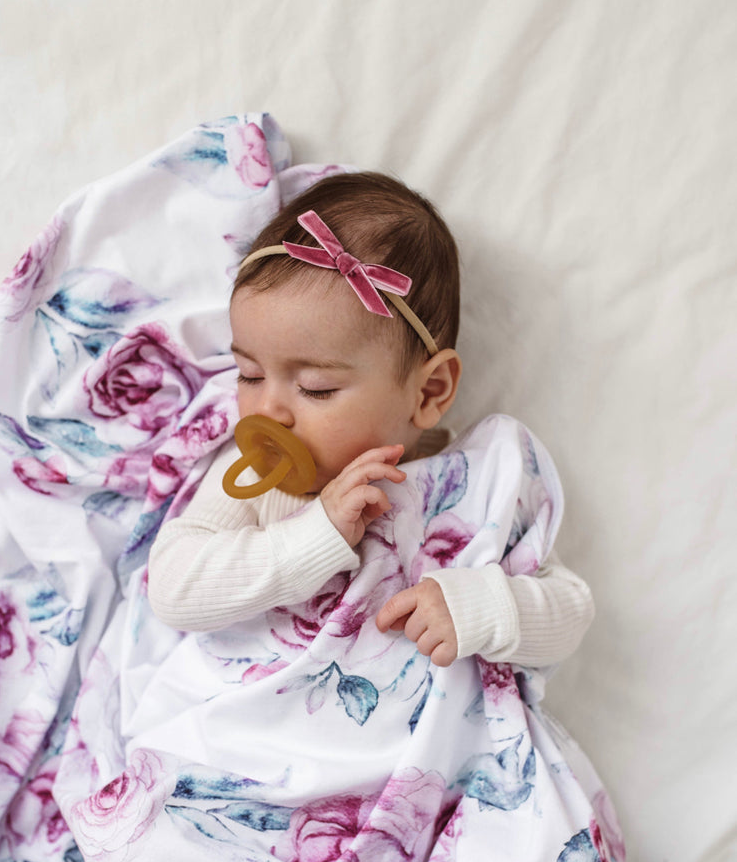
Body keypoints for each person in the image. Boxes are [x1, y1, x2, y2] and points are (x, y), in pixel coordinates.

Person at [147, 171, 593, 668]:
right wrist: (314, 538)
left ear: (429, 391)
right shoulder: (254, 478)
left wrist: (483, 610)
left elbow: (571, 611)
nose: (267, 410)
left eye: (316, 387)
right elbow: (171, 589)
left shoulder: (477, 481)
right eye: (249, 375)